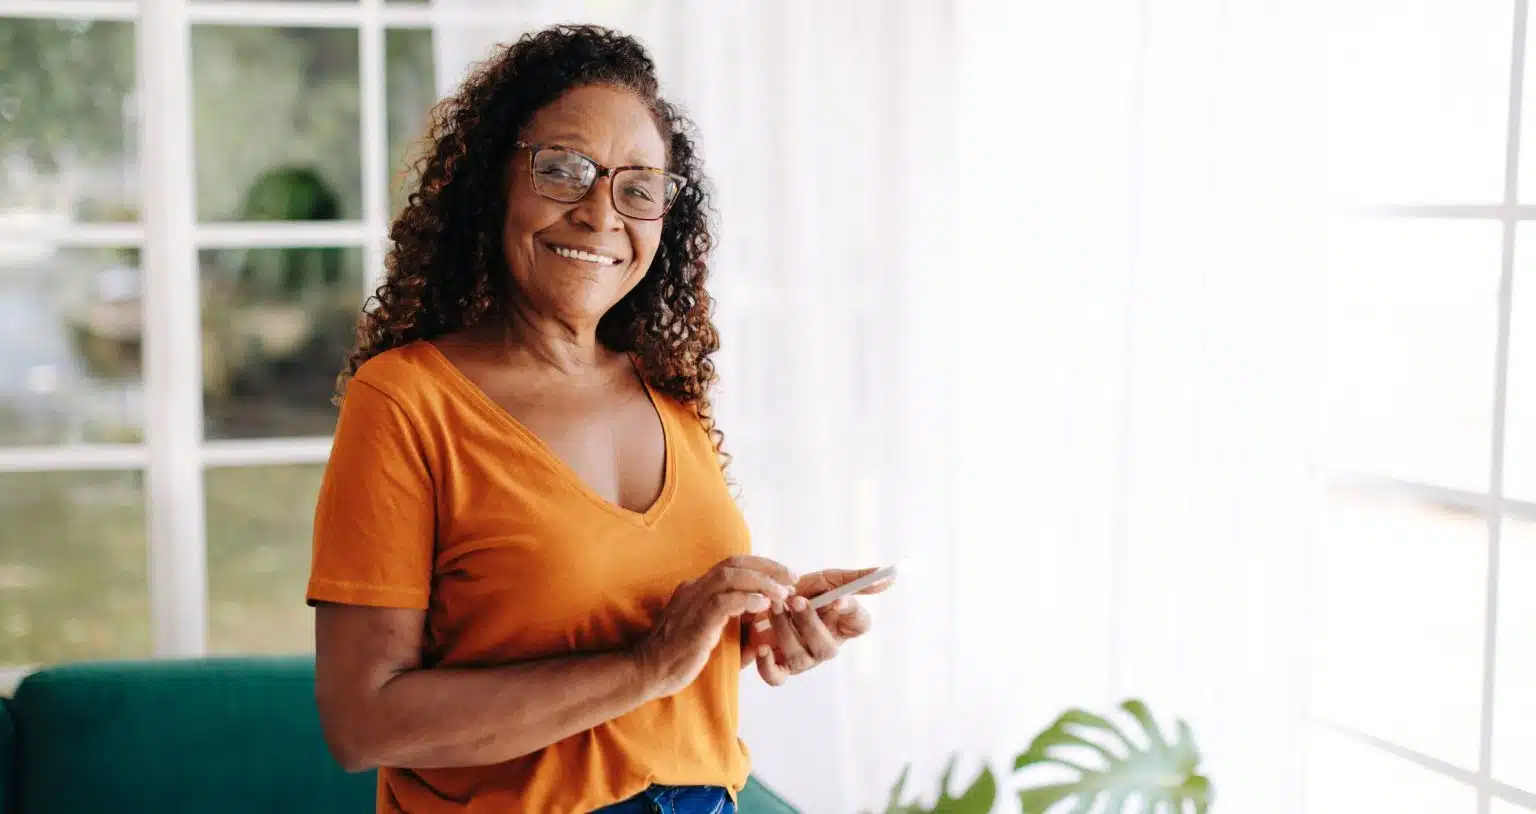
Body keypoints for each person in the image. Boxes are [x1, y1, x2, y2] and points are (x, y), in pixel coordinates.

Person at [306, 24, 891, 814]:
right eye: (564, 170)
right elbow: (363, 722)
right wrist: (650, 664)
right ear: (492, 182)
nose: (598, 212)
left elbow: (632, 627)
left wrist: (749, 626)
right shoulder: (407, 401)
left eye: (638, 187)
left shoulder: (669, 392)